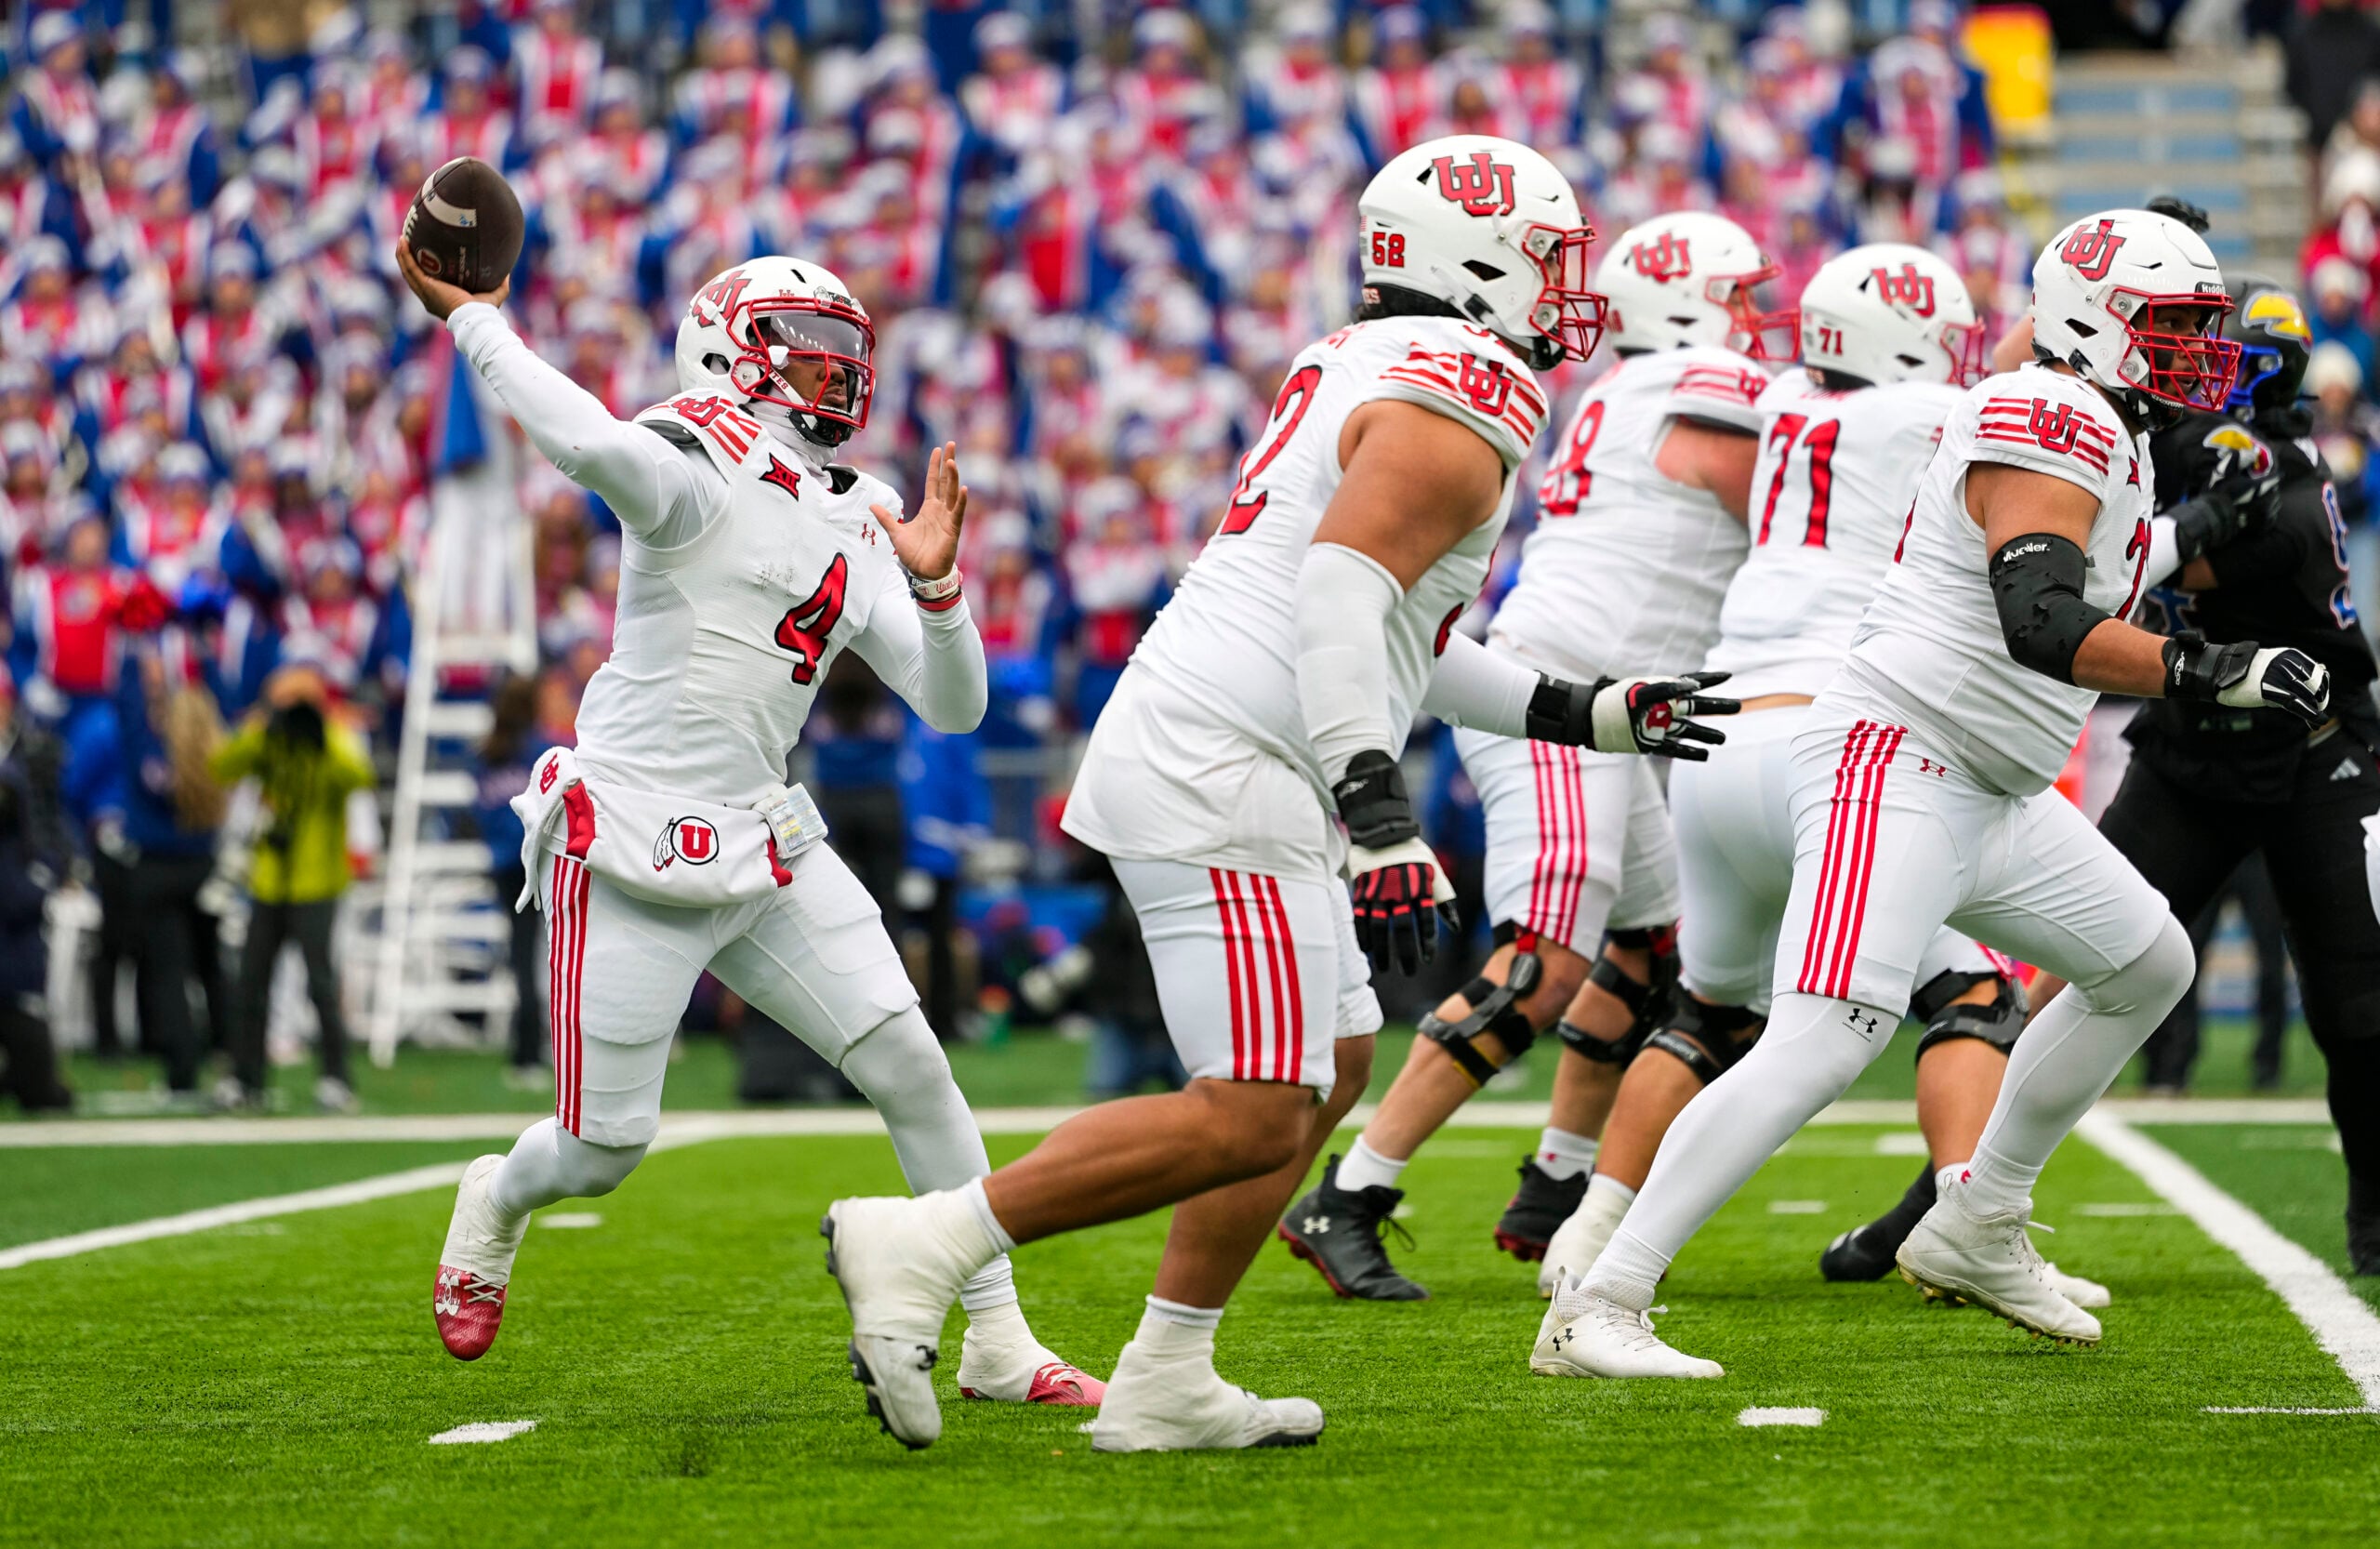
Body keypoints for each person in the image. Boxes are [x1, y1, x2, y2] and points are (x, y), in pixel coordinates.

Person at [817, 135, 1731, 1453]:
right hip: (1228, 759)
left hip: (1238, 742)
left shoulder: (1374, 361)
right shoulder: (1457, 386)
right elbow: (1341, 599)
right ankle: (927, 1238)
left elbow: (1399, 626)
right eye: (1544, 260)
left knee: (1331, 1069)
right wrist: (1381, 812)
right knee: (1253, 1102)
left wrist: (1579, 709)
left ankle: (1168, 1372)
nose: (1561, 289)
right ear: (1470, 264)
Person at [1538, 208, 2332, 1379]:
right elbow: (2043, 621)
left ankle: (1975, 1219)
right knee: (1819, 1042)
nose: (2191, 353)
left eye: (2194, 329)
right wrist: (2209, 668)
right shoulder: (2048, 412)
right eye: (2166, 326)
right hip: (1901, 754)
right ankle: (1601, 1299)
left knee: (2148, 963)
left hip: (1991, 780)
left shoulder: (2089, 417)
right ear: (2089, 324)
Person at [396, 244, 1101, 1414]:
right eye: (806, 350)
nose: (833, 376)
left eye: (842, 356)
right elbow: (584, 441)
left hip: (761, 835)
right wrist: (476, 320)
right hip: (629, 837)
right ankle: (499, 1194)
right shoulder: (692, 454)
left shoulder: (865, 504)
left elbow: (954, 705)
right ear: (729, 348)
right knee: (601, 1153)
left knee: (913, 1065)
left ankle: (997, 1338)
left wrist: (937, 590)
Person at [1526, 244, 2096, 1311]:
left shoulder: (1783, 400)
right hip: (1829, 745)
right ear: (1918, 344)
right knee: (1970, 995)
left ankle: (1589, 1232)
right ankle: (1966, 1230)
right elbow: (2007, 400)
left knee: (1704, 1011)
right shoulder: (1933, 415)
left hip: (1714, 738)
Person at [1276, 210, 1783, 1302]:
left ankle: (1553, 1184)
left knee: (1648, 954)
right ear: (1691, 302)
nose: (1756, 319)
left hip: (1606, 703)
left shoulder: (1620, 389)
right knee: (1546, 963)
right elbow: (1780, 513)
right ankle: (1351, 1194)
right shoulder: (1701, 385)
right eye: (1742, 294)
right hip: (1561, 696)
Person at [2037, 280, 2380, 1275]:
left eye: (2202, 346)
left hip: (2311, 748)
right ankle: (1953, 1192)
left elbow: (2115, 573)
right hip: (2195, 741)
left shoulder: (2258, 464)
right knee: (2071, 952)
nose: (2182, 361)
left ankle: (2371, 1208)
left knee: (2356, 1002)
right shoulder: (2194, 436)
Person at [210, 660, 377, 1112]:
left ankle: (336, 1079)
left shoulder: (332, 741)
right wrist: (263, 726)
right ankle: (246, 1079)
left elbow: (359, 776)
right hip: (269, 879)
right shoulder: (267, 741)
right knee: (250, 982)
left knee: (321, 985)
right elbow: (222, 766)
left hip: (317, 881)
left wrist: (321, 733)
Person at [474, 673, 546, 1083]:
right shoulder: (541, 751)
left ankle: (527, 1053)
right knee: (550, 961)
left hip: (505, 866)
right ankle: (534, 1052)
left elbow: (479, 812)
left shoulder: (487, 754)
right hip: (539, 865)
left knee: (523, 958)